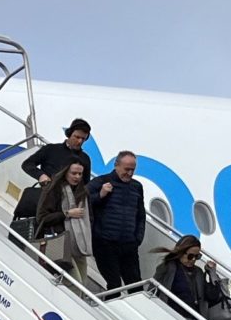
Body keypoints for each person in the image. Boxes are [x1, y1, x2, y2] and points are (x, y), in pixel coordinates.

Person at [89, 151, 147, 288]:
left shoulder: (137, 187)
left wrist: (137, 238)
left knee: (135, 286)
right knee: (114, 284)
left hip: (128, 244)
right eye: (127, 169)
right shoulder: (100, 182)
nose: (130, 173)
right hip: (105, 243)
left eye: (133, 170)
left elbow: (140, 215)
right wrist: (101, 195)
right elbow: (82, 202)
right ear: (116, 165)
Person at [35, 157, 95, 285]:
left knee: (82, 284)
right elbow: (42, 218)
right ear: (65, 172)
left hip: (79, 244)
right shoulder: (53, 190)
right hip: (59, 243)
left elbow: (89, 218)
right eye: (73, 173)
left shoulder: (83, 193)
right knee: (75, 284)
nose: (77, 177)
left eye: (80, 174)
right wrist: (67, 214)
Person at [155, 235, 224, 313]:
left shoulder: (198, 272)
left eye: (197, 256)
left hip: (194, 319)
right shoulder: (168, 267)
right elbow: (153, 289)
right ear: (181, 253)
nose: (193, 259)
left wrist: (212, 273)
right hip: (171, 315)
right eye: (190, 256)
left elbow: (212, 296)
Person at [21, 117, 94, 183]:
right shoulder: (50, 149)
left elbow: (86, 184)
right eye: (77, 137)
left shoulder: (85, 159)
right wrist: (41, 175)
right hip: (47, 193)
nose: (79, 141)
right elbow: (27, 164)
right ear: (69, 134)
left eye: (83, 139)